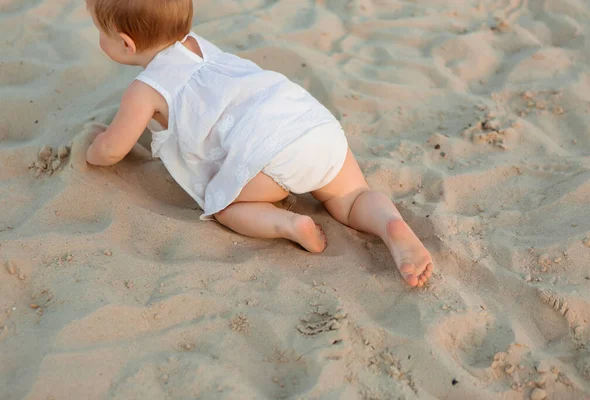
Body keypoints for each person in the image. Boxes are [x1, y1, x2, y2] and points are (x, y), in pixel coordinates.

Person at [82, 0, 433, 287]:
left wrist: (94, 149)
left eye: (101, 32)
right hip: (312, 125)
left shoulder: (144, 91)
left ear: (126, 43)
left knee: (223, 205)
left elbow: (113, 149)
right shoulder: (196, 43)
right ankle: (389, 223)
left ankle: (288, 225)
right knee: (352, 198)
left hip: (269, 155)